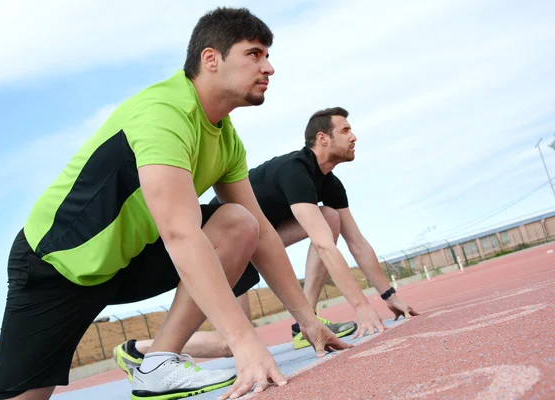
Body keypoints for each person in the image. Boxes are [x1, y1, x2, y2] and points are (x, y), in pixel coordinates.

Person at [0, 8, 352, 400]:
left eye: (267, 55)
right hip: (59, 266)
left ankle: (158, 363)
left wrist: (309, 321)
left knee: (239, 222)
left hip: (130, 260)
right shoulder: (164, 112)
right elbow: (180, 232)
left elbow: (263, 232)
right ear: (210, 59)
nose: (269, 67)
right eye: (254, 54)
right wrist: (243, 342)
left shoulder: (226, 140)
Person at [113, 106, 420, 379]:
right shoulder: (296, 170)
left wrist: (387, 294)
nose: (354, 137)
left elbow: (357, 242)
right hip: (227, 244)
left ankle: (305, 324)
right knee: (229, 343)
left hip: (259, 243)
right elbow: (323, 245)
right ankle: (138, 349)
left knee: (329, 218)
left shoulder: (329, 183)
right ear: (322, 138)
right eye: (345, 130)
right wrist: (361, 307)